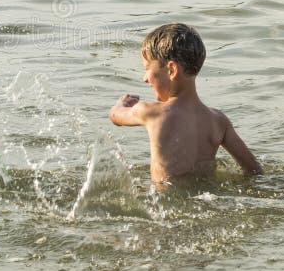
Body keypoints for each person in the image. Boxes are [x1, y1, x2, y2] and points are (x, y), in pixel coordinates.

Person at [109, 23, 263, 187]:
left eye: (147, 69)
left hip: (167, 203)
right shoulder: (218, 121)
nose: (145, 78)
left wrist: (121, 103)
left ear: (171, 70)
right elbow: (254, 170)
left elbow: (115, 116)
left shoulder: (151, 113)